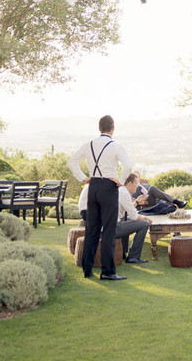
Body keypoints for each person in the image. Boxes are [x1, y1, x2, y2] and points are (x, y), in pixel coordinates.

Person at [68, 115, 132, 281]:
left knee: (92, 230)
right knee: (109, 230)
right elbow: (128, 166)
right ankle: (108, 271)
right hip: (109, 187)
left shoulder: (89, 144)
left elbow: (72, 162)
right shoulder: (116, 146)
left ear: (99, 128)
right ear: (113, 128)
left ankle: (87, 269)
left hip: (93, 186)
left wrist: (83, 178)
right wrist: (121, 181)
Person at [116, 173, 152, 264]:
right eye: (136, 183)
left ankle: (123, 252)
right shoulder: (124, 193)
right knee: (144, 224)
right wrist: (145, 218)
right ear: (129, 183)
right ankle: (133, 257)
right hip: (113, 227)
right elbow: (135, 217)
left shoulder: (121, 190)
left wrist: (137, 201)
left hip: (113, 223)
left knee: (128, 221)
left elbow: (128, 210)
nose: (137, 185)